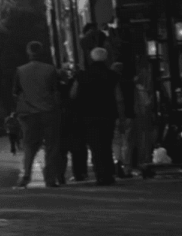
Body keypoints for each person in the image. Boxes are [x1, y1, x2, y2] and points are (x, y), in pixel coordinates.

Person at [12, 41, 61, 189]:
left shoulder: (20, 70)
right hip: (48, 112)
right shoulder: (50, 70)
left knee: (29, 146)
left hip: (29, 113)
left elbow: (15, 92)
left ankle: (26, 175)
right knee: (51, 146)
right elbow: (56, 92)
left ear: (28, 52)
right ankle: (50, 178)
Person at [70, 46, 121, 185]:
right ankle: (109, 173)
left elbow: (73, 94)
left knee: (95, 145)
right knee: (107, 143)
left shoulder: (82, 75)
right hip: (107, 113)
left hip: (88, 114)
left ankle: (100, 173)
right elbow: (118, 96)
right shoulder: (112, 75)